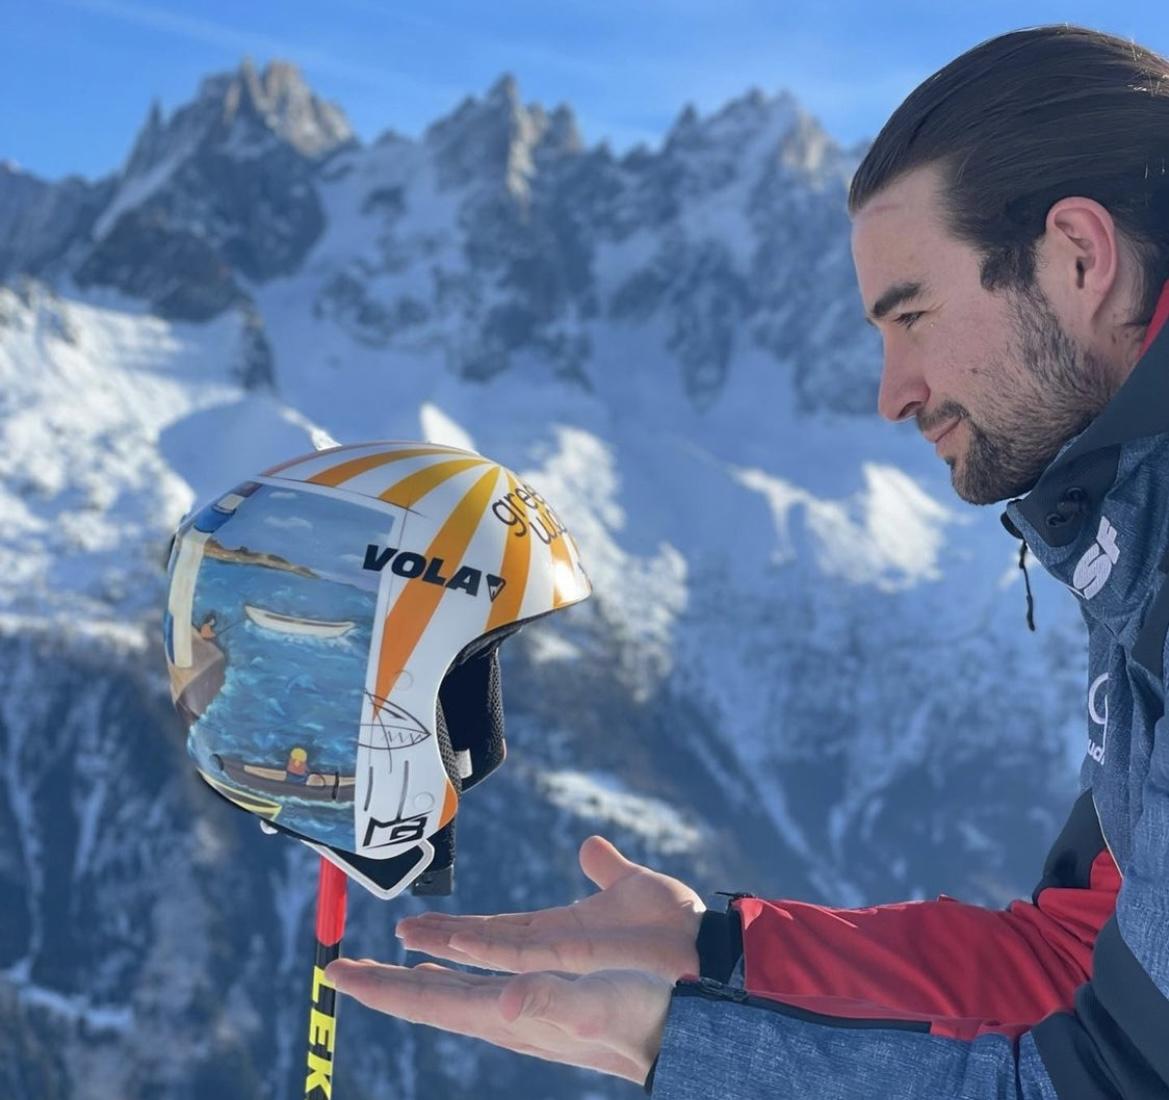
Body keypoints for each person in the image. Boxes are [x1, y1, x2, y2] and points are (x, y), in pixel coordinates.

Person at [325, 26, 1169, 1097]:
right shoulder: (1132, 521)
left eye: (909, 315)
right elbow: (1076, 967)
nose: (891, 391)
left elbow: (1118, 1079)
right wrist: (722, 952)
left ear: (1078, 259)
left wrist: (670, 1045)